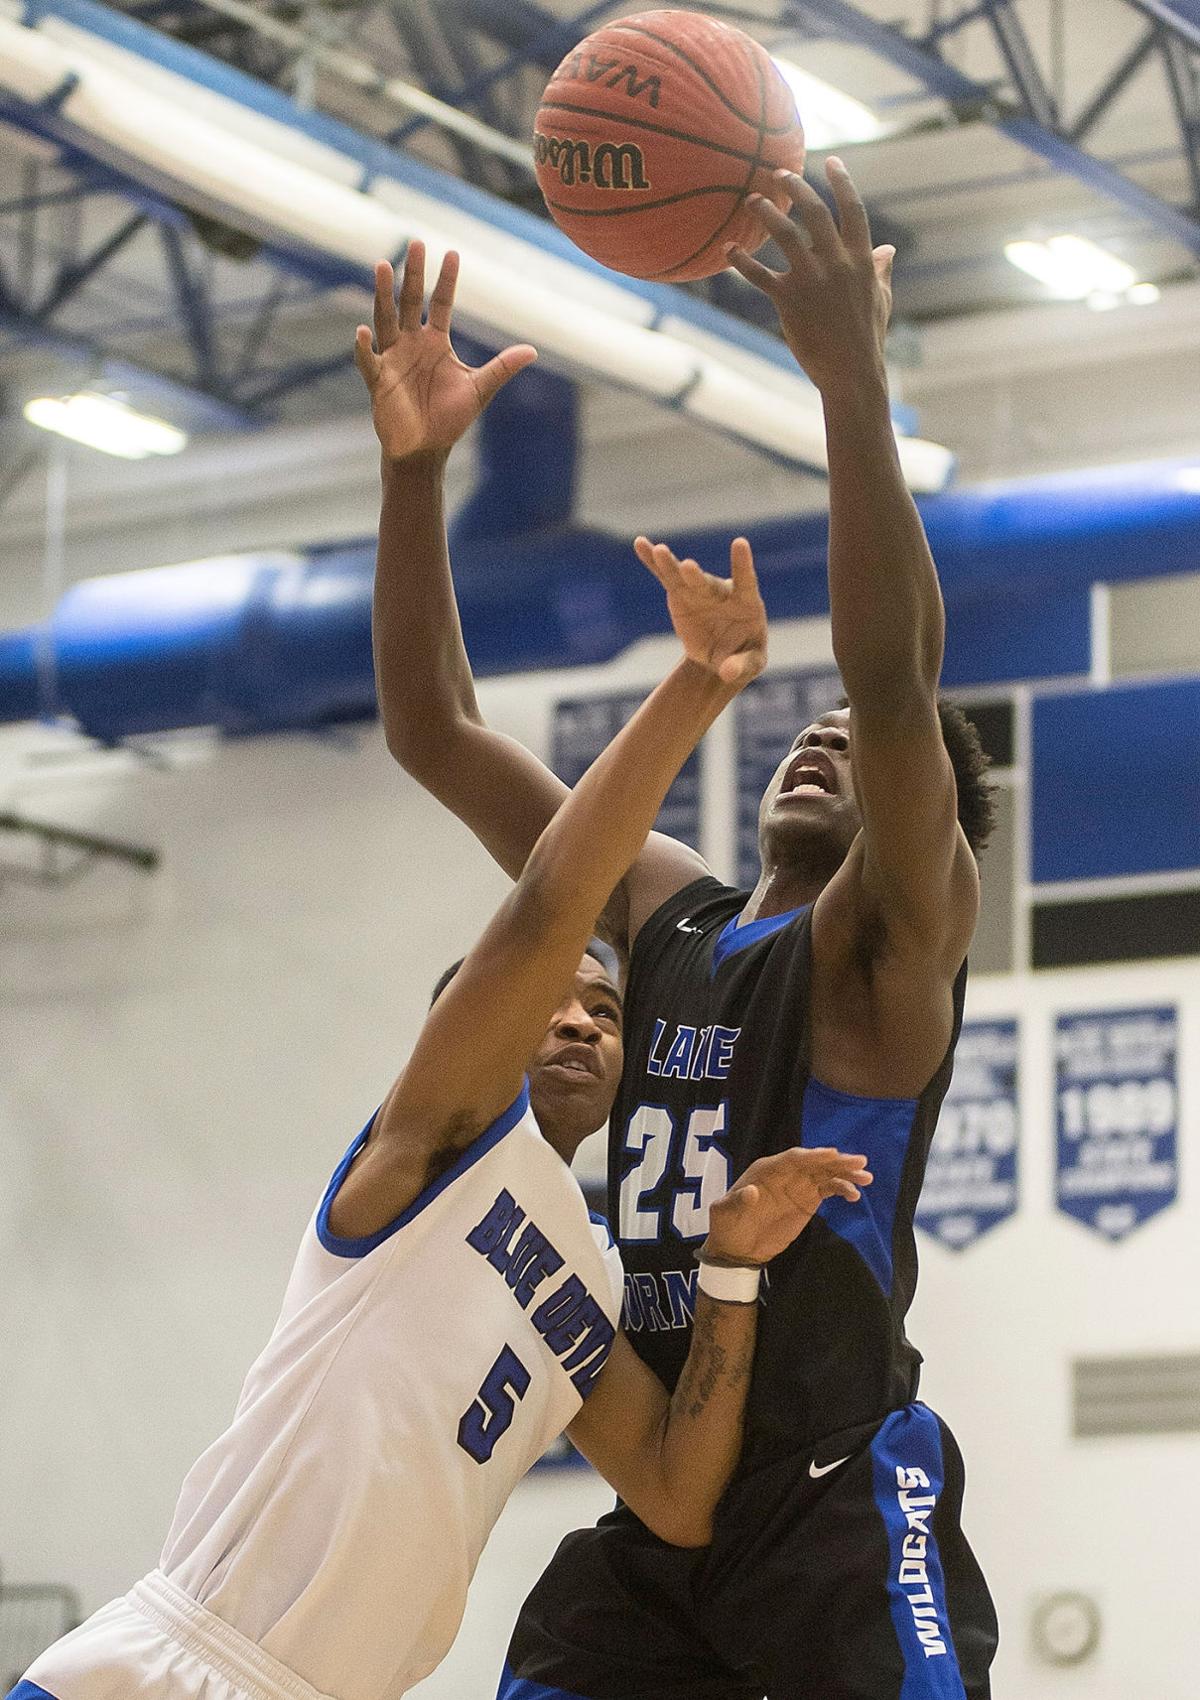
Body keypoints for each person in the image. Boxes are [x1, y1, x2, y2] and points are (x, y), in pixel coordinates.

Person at [5, 384, 873, 1700]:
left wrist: (736, 1273)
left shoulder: (578, 1274)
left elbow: (682, 1497)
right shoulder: (431, 1152)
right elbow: (536, 900)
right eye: (547, 998)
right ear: (461, 1027)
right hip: (173, 1666)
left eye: (607, 1007)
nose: (580, 1012)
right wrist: (685, 686)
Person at [367, 157, 999, 1700]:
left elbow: (903, 679)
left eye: (863, 747)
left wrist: (853, 384)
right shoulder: (667, 910)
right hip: (665, 1494)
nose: (825, 738)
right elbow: (437, 729)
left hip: (834, 1492)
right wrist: (410, 479)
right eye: (814, 724)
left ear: (930, 836)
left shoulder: (882, 963)